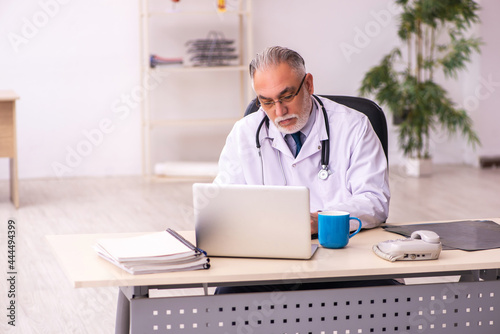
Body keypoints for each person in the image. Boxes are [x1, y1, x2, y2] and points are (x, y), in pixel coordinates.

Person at [214, 46, 390, 234]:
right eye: (267, 102)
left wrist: (323, 219)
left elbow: (375, 201)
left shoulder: (354, 126)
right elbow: (223, 203)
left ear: (308, 84)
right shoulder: (244, 133)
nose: (279, 111)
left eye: (287, 96)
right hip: (269, 244)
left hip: (338, 241)